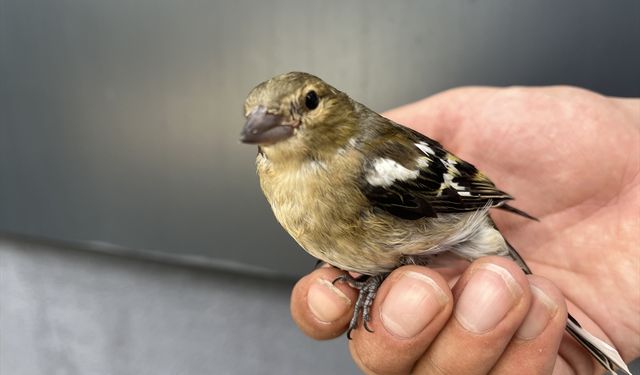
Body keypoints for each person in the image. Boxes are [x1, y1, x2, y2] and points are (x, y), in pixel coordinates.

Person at [289, 86, 639, 374]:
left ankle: (580, 334)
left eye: (306, 103)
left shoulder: (371, 162)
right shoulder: (283, 175)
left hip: (456, 219)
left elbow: (450, 187)